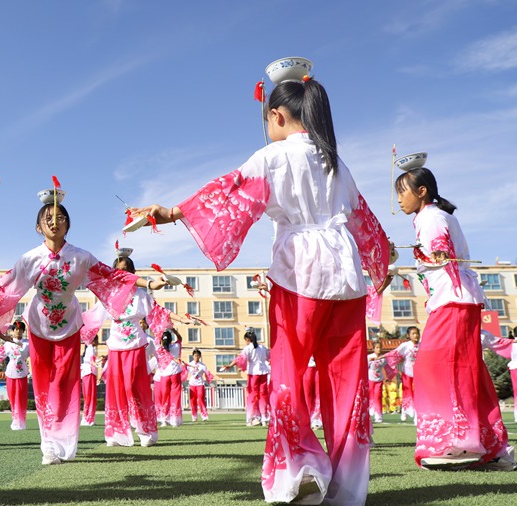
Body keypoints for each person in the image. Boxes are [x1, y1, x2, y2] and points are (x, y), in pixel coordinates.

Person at [132, 75, 389, 505]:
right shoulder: (337, 163)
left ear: (277, 115)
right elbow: (365, 223)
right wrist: (383, 256)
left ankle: (301, 466)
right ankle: (348, 488)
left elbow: (228, 192)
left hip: (299, 272)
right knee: (347, 383)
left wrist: (171, 211)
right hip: (346, 275)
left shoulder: (274, 156)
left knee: (288, 372)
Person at [0, 196, 166, 466]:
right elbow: (1, 285)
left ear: (68, 225)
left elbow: (111, 276)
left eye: (60, 218)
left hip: (69, 325)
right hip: (39, 327)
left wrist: (147, 282)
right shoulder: (30, 259)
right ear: (39, 227)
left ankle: (63, 442)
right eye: (48, 219)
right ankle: (48, 445)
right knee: (42, 386)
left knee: (65, 384)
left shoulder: (81, 257)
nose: (55, 222)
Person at [394, 166, 514, 471]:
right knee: (468, 369)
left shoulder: (432, 218)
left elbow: (439, 253)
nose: (398, 200)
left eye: (402, 192)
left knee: (435, 366)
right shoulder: (431, 217)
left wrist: (428, 256)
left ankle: (455, 444)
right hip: (455, 300)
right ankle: (491, 446)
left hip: (454, 300)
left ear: (422, 192)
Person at [81, 251, 191, 446]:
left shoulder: (141, 295)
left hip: (135, 346)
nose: (122, 274)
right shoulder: (108, 295)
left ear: (133, 273)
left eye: (126, 270)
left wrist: (181, 318)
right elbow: (91, 317)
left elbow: (158, 312)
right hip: (115, 347)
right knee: (115, 389)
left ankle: (145, 432)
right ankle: (115, 433)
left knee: (135, 387)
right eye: (118, 271)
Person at [219, 328, 270, 427]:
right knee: (263, 395)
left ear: (247, 339)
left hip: (253, 373)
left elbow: (240, 359)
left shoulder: (248, 348)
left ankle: (254, 417)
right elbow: (269, 357)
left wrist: (230, 365)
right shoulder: (263, 348)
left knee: (253, 395)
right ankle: (264, 417)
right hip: (263, 372)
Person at [385, 327, 419, 423]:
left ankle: (416, 415)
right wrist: (381, 357)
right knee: (408, 393)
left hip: (418, 374)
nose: (416, 335)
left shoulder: (422, 345)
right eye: (413, 333)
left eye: (417, 333)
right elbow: (393, 353)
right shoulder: (405, 345)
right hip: (407, 373)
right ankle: (405, 410)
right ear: (408, 335)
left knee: (417, 394)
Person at [2, 320, 30, 430]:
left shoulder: (27, 344)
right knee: (12, 397)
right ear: (12, 331)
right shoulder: (7, 344)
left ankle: (21, 421)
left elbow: (36, 356)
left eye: (20, 330)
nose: (18, 332)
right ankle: (15, 419)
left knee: (21, 397)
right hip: (10, 373)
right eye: (16, 330)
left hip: (22, 373)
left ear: (23, 331)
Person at [156, 329, 184, 427]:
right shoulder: (176, 346)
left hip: (164, 375)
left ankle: (164, 420)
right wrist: (174, 330)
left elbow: (157, 341)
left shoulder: (159, 349)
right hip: (175, 373)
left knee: (165, 397)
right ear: (171, 338)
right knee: (175, 397)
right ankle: (175, 420)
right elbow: (180, 338)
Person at [187, 349, 214, 422]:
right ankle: (194, 416)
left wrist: (210, 378)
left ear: (200, 356)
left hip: (200, 384)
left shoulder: (203, 366)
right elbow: (184, 371)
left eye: (198, 356)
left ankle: (204, 416)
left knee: (201, 400)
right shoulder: (189, 365)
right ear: (192, 356)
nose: (196, 357)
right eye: (195, 356)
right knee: (192, 401)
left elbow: (207, 373)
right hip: (192, 384)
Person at [79, 338, 99, 426]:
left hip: (89, 372)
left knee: (88, 396)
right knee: (89, 396)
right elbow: (92, 361)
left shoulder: (91, 348)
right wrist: (98, 364)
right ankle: (88, 418)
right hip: (89, 372)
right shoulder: (91, 348)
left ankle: (87, 418)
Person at [367, 342, 388, 424]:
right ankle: (370, 412)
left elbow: (388, 367)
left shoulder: (383, 358)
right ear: (373, 349)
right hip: (370, 379)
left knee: (378, 396)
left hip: (379, 380)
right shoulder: (369, 357)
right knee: (370, 396)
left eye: (380, 347)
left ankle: (378, 415)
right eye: (377, 347)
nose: (379, 349)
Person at [303, 356, 322, 430]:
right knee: (307, 393)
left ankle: (317, 419)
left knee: (319, 392)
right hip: (307, 365)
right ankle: (308, 418)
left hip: (320, 365)